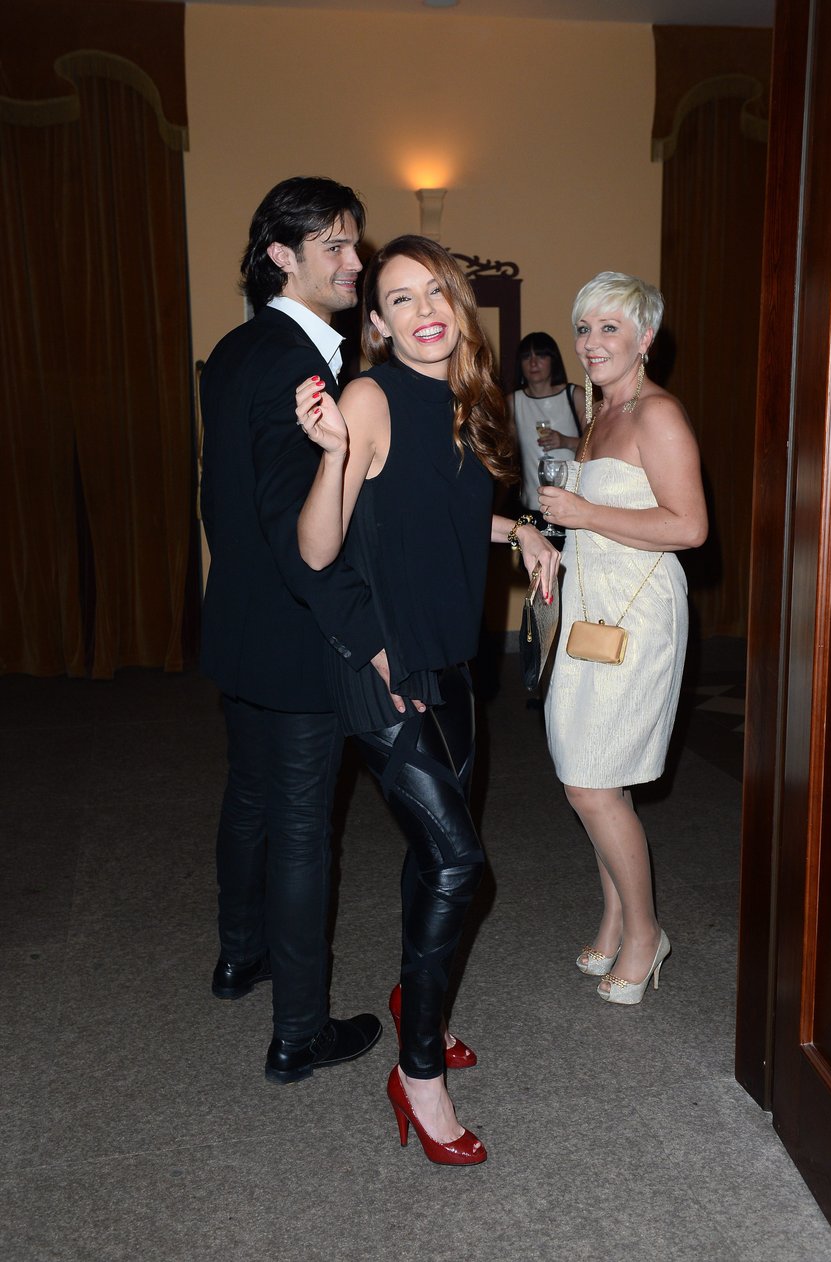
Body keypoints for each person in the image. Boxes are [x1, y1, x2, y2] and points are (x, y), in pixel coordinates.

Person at [294, 235, 560, 1163]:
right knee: (458, 863)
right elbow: (317, 554)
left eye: (434, 292)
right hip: (379, 667)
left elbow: (434, 510)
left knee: (431, 854)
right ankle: (417, 1073)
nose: (423, 311)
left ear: (457, 302)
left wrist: (517, 531)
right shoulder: (368, 398)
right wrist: (333, 455)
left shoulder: (466, 400)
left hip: (449, 663)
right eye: (399, 299)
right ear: (378, 323)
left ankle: (422, 999)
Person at [199, 176, 385, 1084]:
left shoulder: (238, 347)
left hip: (239, 624)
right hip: (293, 632)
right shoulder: (299, 366)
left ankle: (240, 957)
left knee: (250, 799)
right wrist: (361, 635)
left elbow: (220, 500)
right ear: (283, 255)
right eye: (336, 247)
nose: (356, 262)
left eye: (355, 244)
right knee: (304, 828)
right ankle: (299, 1033)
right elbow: (297, 532)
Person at [537, 271, 707, 1005]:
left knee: (591, 782)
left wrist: (584, 513)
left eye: (611, 327)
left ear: (646, 339)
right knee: (593, 775)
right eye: (584, 327)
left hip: (636, 616)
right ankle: (614, 916)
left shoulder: (656, 414)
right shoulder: (598, 411)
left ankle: (646, 934)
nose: (592, 341)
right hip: (590, 607)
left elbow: (689, 527)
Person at [508, 331, 584, 543]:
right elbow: (506, 452)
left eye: (541, 355)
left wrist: (565, 441)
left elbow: (597, 447)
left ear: (553, 360)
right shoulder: (513, 402)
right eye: (527, 357)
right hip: (532, 507)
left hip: (574, 505)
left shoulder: (574, 395)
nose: (533, 362)